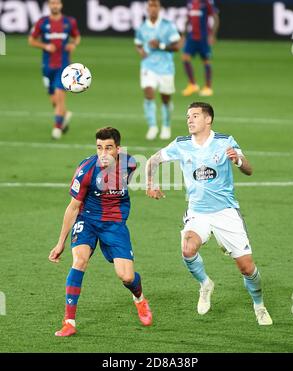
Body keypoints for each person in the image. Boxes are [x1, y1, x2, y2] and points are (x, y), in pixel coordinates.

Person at [145, 102, 273, 326]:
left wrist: (238, 160)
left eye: (195, 116)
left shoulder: (225, 141)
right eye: (187, 116)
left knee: (246, 267)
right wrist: (150, 184)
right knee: (188, 248)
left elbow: (249, 169)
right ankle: (205, 284)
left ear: (208, 119)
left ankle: (259, 305)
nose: (189, 120)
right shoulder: (181, 144)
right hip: (197, 212)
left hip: (226, 212)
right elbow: (153, 160)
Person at [49, 127, 153, 337]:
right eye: (99, 148)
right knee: (79, 260)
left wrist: (150, 185)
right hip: (87, 219)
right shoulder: (86, 169)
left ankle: (139, 298)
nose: (103, 153)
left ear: (118, 149)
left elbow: (141, 173)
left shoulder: (129, 163)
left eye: (108, 148)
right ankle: (69, 321)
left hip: (114, 223)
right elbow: (73, 207)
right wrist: (60, 242)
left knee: (126, 276)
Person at [28, 0, 81, 140]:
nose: (55, 5)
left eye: (57, 3)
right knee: (54, 99)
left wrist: (73, 44)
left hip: (63, 66)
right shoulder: (42, 22)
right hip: (47, 67)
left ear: (61, 5)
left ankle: (57, 127)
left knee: (59, 95)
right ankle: (64, 114)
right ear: (49, 5)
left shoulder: (69, 22)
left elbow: (77, 37)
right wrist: (45, 46)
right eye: (52, 3)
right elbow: (31, 40)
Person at [134, 0, 181, 141]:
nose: (153, 8)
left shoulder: (168, 26)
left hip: (166, 67)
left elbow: (177, 46)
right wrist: (141, 51)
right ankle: (152, 126)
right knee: (148, 93)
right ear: (147, 8)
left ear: (159, 8)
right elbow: (138, 44)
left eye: (155, 6)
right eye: (150, 5)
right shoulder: (142, 27)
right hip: (148, 66)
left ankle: (166, 126)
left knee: (165, 98)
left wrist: (160, 45)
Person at [181, 0, 219, 97]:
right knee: (185, 58)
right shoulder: (190, 2)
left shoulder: (206, 2)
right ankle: (192, 84)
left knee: (206, 60)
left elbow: (215, 18)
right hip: (192, 37)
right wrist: (184, 35)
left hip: (203, 37)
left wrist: (212, 35)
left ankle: (208, 87)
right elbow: (187, 19)